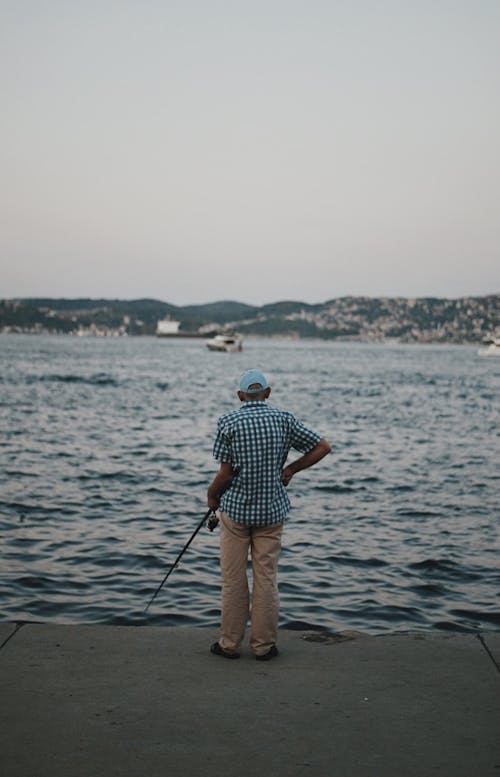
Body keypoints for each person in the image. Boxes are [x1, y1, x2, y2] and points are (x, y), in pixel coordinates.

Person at [207, 369, 331, 661]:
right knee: (266, 578)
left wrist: (212, 496)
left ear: (239, 396)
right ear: (268, 393)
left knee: (234, 580)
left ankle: (229, 645)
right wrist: (290, 470)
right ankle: (263, 647)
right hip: (271, 512)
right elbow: (323, 447)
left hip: (236, 513)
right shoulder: (284, 419)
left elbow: (224, 475)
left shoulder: (228, 422)